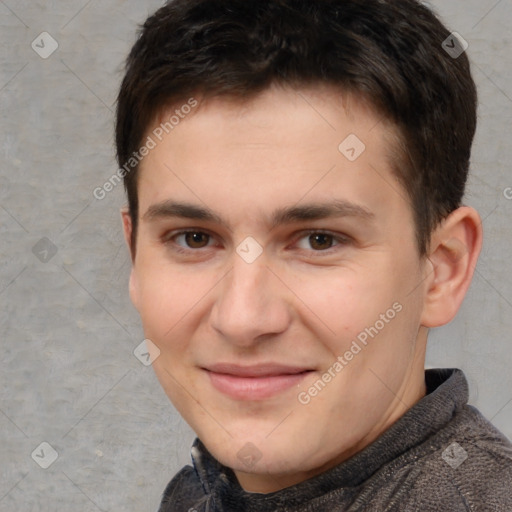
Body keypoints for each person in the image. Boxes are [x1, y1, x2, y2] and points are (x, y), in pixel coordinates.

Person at [115, 0, 512, 510]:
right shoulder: (196, 495)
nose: (243, 318)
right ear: (135, 258)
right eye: (194, 238)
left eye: (318, 240)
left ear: (442, 270)